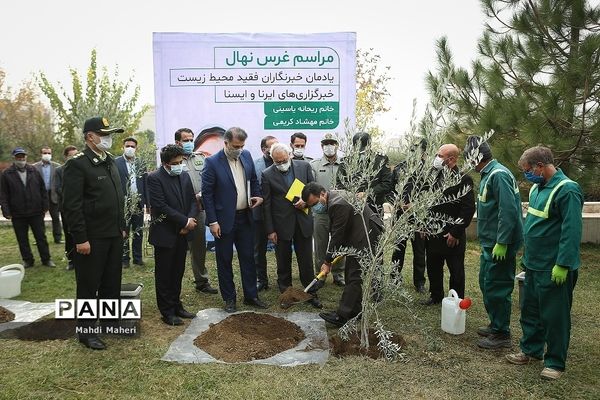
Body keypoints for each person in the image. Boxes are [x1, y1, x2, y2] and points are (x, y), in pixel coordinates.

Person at [506, 146, 583, 381]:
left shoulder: (567, 190)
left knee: (554, 316)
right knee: (530, 311)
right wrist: (526, 259)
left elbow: (571, 231)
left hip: (553, 267)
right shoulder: (538, 189)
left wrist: (563, 264)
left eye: (528, 170)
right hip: (533, 264)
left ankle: (555, 362)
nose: (526, 175)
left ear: (540, 166)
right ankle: (531, 350)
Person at [62, 116, 126, 350]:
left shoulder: (108, 160)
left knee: (111, 281)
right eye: (105, 134)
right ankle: (87, 331)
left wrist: (122, 226)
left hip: (113, 234)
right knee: (89, 285)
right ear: (90, 136)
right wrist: (80, 238)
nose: (109, 139)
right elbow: (72, 206)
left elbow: (117, 198)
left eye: (110, 134)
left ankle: (109, 321)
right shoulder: (77, 164)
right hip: (91, 237)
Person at [464, 136, 523, 349]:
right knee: (487, 282)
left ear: (476, 158)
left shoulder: (498, 175)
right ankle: (495, 324)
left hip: (500, 244)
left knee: (498, 285)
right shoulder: (489, 174)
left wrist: (503, 241)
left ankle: (502, 334)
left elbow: (508, 211)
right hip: (490, 242)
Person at [202, 127, 267, 312]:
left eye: (242, 146)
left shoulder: (246, 156)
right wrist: (212, 221)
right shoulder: (213, 162)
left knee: (248, 258)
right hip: (223, 221)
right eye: (235, 146)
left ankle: (251, 295)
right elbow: (207, 194)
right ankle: (229, 298)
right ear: (226, 143)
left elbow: (253, 180)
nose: (238, 149)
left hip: (245, 218)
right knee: (225, 259)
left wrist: (258, 195)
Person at [302, 182, 384, 327]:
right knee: (353, 274)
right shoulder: (334, 197)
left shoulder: (337, 204)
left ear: (322, 194)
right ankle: (356, 311)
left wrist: (327, 262)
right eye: (311, 206)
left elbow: (337, 235)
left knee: (354, 275)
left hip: (367, 235)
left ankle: (343, 315)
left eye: (315, 204)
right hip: (362, 232)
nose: (315, 208)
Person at [262, 143, 321, 308]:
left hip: (303, 220)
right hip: (281, 224)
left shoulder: (304, 166)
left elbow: (314, 189)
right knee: (283, 261)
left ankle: (311, 292)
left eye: (284, 160)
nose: (281, 164)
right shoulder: (267, 175)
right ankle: (286, 294)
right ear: (272, 160)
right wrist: (270, 230)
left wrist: (306, 202)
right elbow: (266, 204)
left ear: (289, 155)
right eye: (277, 162)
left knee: (306, 260)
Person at [147, 144, 199, 326]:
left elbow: (193, 200)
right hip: (165, 234)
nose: (179, 165)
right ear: (165, 163)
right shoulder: (154, 178)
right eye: (175, 163)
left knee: (178, 271)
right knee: (164, 274)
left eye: (181, 161)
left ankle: (177, 305)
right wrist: (184, 222)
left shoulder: (183, 175)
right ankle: (167, 311)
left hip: (183, 233)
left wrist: (190, 220)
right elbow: (160, 206)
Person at [421, 144, 475, 305]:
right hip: (433, 231)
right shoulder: (434, 175)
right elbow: (426, 202)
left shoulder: (463, 178)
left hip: (452, 234)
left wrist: (455, 232)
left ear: (451, 159)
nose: (436, 159)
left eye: (440, 156)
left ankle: (455, 300)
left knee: (456, 270)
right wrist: (424, 224)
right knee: (433, 266)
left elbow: (468, 208)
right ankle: (436, 296)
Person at [174, 128, 218, 295]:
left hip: (199, 208)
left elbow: (209, 180)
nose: (189, 143)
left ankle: (201, 281)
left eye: (191, 139)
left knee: (199, 246)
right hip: (178, 210)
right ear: (178, 142)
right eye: (186, 140)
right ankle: (173, 282)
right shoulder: (172, 160)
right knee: (175, 248)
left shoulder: (201, 158)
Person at [0, 147, 55, 268]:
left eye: (23, 157)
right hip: (17, 213)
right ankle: (28, 260)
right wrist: (6, 211)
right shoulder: (6, 174)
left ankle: (46, 259)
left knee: (41, 237)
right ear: (14, 158)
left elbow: (42, 190)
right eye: (18, 157)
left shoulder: (34, 171)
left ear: (26, 157)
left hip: (35, 211)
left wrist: (45, 205)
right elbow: (3, 195)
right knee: (22, 239)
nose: (21, 159)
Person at [390, 139, 428, 294]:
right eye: (412, 149)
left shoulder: (428, 170)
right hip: (400, 215)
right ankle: (394, 279)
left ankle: (419, 282)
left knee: (420, 250)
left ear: (424, 153)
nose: (414, 153)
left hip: (419, 216)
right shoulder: (399, 168)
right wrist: (397, 203)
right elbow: (390, 189)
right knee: (398, 248)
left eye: (418, 150)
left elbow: (431, 193)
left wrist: (416, 205)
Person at [310, 132, 345, 286]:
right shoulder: (314, 165)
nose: (329, 147)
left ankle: (338, 275)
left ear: (337, 145)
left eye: (332, 143)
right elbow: (310, 189)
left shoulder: (345, 164)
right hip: (321, 212)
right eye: (326, 144)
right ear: (322, 146)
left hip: (340, 212)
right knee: (320, 244)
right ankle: (321, 274)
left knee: (339, 243)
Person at [337, 131, 393, 210]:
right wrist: (351, 194)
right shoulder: (346, 161)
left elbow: (387, 184)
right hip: (351, 206)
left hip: (374, 206)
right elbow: (339, 183)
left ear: (369, 145)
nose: (362, 152)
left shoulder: (380, 160)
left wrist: (367, 193)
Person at [115, 137, 147, 268]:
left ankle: (138, 258)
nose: (130, 148)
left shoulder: (141, 162)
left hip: (138, 203)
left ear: (136, 148)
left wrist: (147, 203)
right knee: (124, 232)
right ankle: (125, 259)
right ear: (123, 147)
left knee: (138, 231)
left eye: (132, 146)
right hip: (123, 204)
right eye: (127, 145)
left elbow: (145, 183)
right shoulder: (116, 162)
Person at [253, 135, 278, 291]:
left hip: (279, 215)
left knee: (281, 248)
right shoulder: (255, 165)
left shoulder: (283, 162)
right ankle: (261, 279)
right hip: (259, 215)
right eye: (272, 146)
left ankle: (283, 279)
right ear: (264, 149)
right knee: (258, 249)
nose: (275, 148)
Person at [54, 145, 79, 270]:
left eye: (76, 155)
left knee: (81, 233)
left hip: (82, 208)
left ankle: (81, 259)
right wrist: (74, 195)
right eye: (71, 156)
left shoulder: (81, 169)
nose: (74, 158)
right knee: (69, 235)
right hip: (67, 209)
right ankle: (71, 260)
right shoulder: (59, 170)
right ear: (65, 157)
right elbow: (58, 188)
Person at [34, 146, 63, 244]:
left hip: (53, 195)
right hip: (40, 196)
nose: (47, 155)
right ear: (41, 154)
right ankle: (40, 239)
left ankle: (58, 238)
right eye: (45, 153)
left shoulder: (57, 166)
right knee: (39, 219)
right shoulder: (34, 167)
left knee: (55, 218)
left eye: (49, 153)